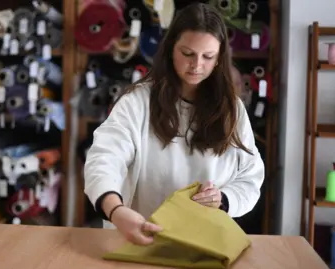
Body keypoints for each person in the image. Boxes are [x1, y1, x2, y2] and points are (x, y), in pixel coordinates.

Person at [83, 2, 265, 246]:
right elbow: (104, 158)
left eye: (208, 56)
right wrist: (116, 210)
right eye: (188, 53)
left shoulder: (232, 109)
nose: (197, 65)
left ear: (220, 57)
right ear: (170, 50)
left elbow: (250, 178)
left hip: (206, 243)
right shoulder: (137, 102)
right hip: (141, 239)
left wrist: (224, 199)